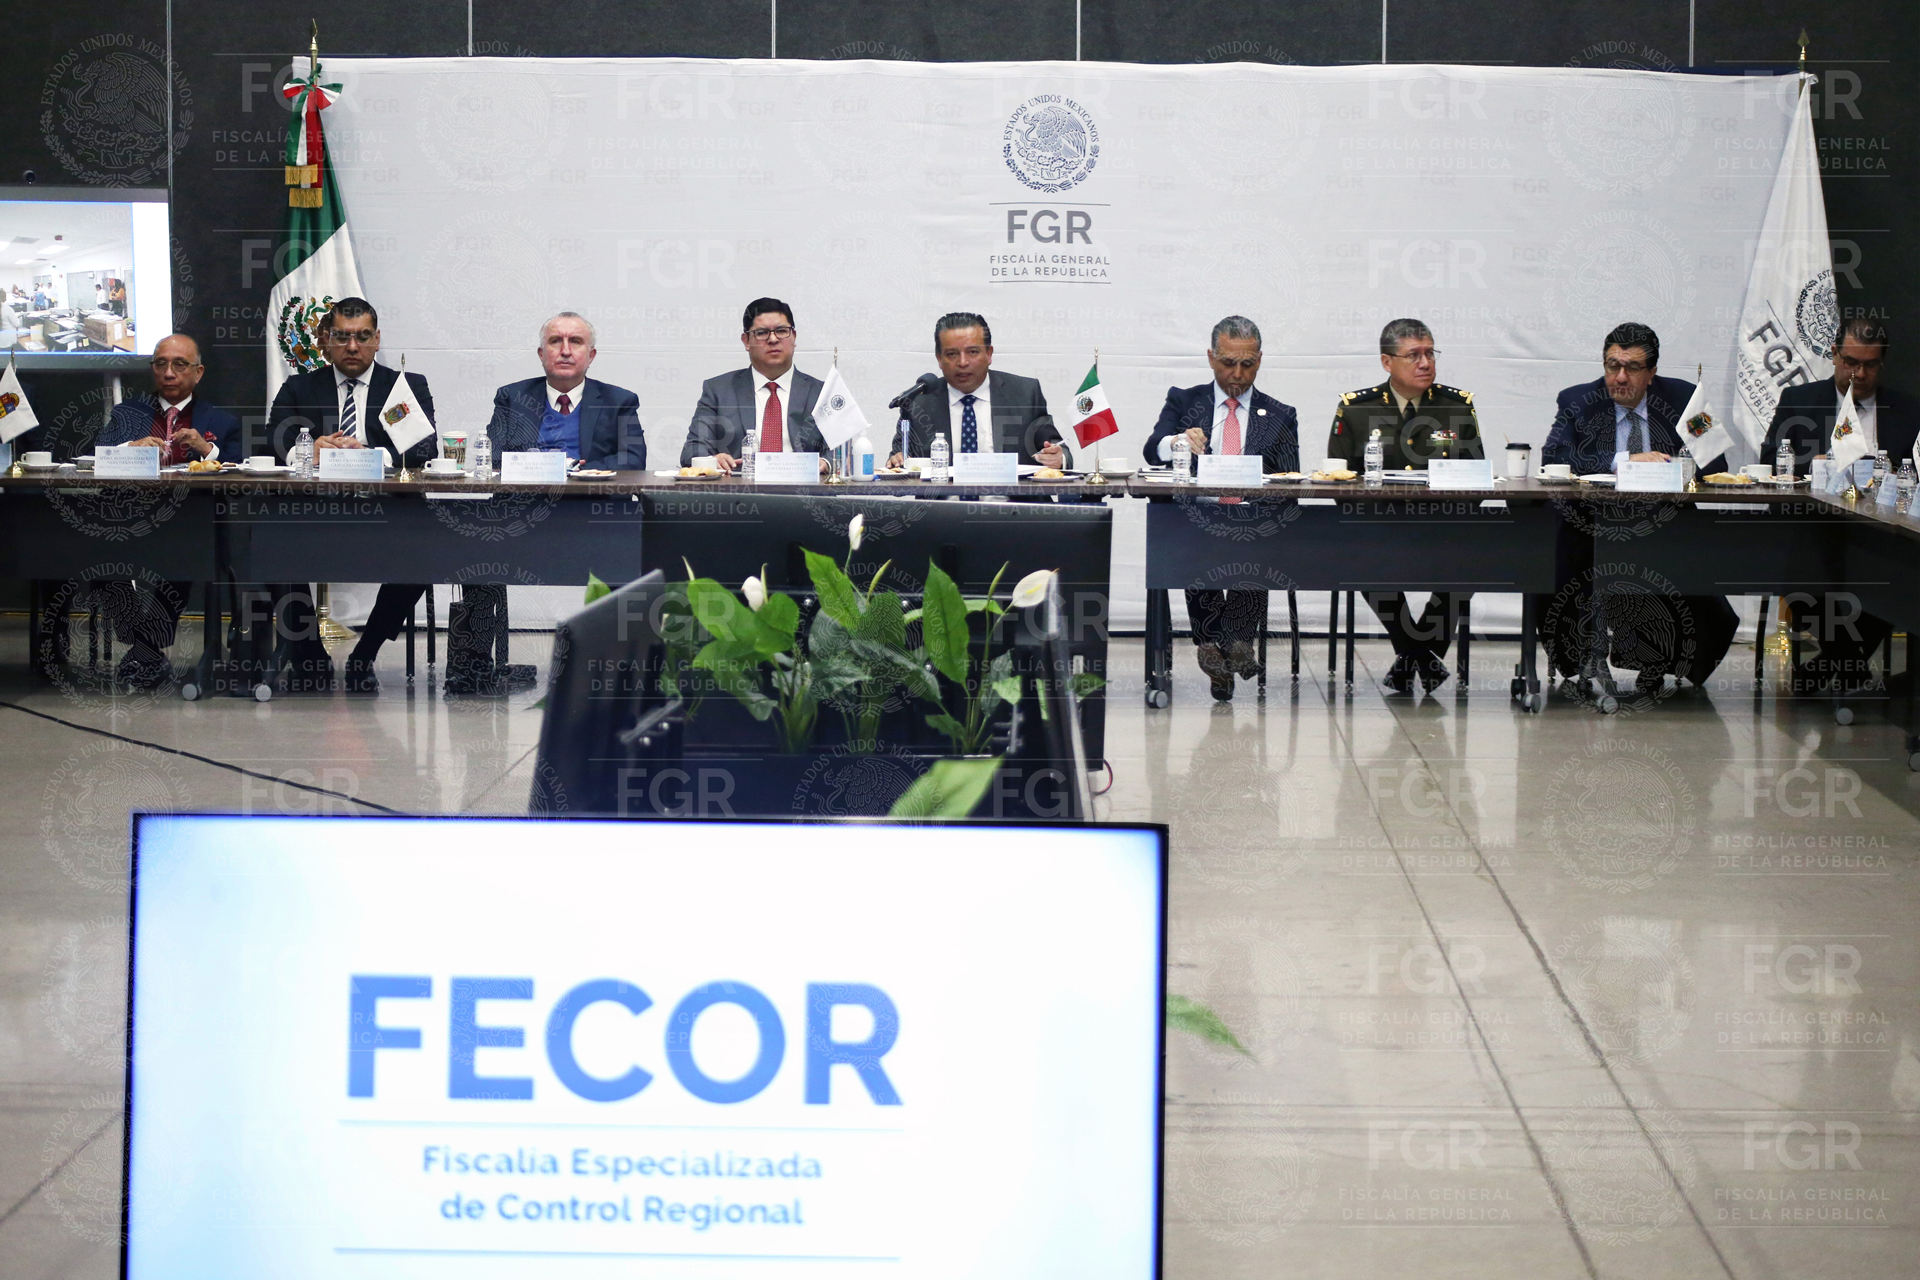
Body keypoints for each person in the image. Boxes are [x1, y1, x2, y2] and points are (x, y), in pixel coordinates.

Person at [1540, 321, 1739, 696]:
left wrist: (1673, 466)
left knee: (1673, 558)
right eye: (1612, 365)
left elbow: (1716, 464)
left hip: (1665, 523)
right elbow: (1555, 457)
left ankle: (1658, 659)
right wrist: (1624, 461)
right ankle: (1583, 656)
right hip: (1592, 524)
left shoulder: (1685, 399)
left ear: (1651, 372)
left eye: (1632, 367)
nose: (1620, 377)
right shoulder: (1576, 400)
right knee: (1561, 555)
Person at [462, 311, 645, 694]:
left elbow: (633, 460)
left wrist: (580, 471)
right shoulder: (512, 397)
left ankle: (618, 667)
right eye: (555, 342)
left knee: (628, 548)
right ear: (541, 353)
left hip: (592, 518)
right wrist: (539, 466)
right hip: (520, 517)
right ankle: (475, 666)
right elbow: (493, 457)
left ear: (591, 355)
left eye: (575, 342)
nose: (564, 350)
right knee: (475, 548)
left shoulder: (619, 401)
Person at [265, 297, 437, 693]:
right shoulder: (300, 387)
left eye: (362, 337)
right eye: (342, 337)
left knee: (428, 547)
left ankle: (365, 654)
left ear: (377, 339)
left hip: (388, 512)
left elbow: (425, 449)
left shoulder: (404, 387)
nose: (353, 347)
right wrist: (307, 451)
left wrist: (372, 455)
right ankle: (308, 653)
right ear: (327, 340)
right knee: (269, 539)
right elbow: (272, 439)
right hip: (313, 512)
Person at [1141, 315, 1299, 701]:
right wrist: (1178, 441)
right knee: (1197, 533)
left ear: (1259, 360)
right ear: (1211, 357)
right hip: (1198, 517)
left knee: (1256, 536)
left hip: (1252, 518)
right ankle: (1227, 643)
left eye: (1247, 364)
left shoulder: (1280, 414)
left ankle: (1222, 643)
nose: (1237, 374)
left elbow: (1289, 481)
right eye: (1228, 363)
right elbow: (1152, 450)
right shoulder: (1184, 400)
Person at [1326, 318, 1482, 694]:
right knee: (1361, 557)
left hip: (1443, 524)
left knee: (1474, 560)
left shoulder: (1456, 406)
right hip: (1379, 526)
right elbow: (1338, 478)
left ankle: (1412, 657)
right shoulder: (1356, 409)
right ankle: (1421, 657)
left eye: (1430, 353)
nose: (1425, 363)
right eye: (1413, 355)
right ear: (1387, 362)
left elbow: (1476, 476)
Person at [1763, 317, 1914, 690]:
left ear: (1882, 363)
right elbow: (1770, 463)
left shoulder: (1907, 409)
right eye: (1851, 362)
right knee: (1806, 570)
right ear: (1833, 355)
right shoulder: (1799, 401)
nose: (1859, 374)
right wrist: (1811, 468)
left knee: (1902, 577)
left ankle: (1825, 669)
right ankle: (1851, 671)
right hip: (1814, 530)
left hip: (1882, 535)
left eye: (1870, 365)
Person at [90, 334, 242, 688]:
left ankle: (144, 651)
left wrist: (207, 450)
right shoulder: (127, 413)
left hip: (191, 521)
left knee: (185, 555)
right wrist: (130, 447)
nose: (169, 373)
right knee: (98, 555)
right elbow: (97, 457)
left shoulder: (221, 421)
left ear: (198, 372)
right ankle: (146, 646)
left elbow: (241, 471)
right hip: (130, 517)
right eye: (161, 364)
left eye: (180, 365)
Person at [899, 313, 1063, 467]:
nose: (963, 362)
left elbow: (1055, 447)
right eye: (952, 354)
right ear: (939, 359)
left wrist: (1058, 458)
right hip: (944, 489)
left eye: (972, 352)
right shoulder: (919, 402)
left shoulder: (1024, 393)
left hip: (1010, 489)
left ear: (989, 354)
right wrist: (897, 461)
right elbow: (900, 457)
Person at [681, 298, 825, 468]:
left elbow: (842, 446)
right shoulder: (718, 391)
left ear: (794, 337)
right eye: (762, 333)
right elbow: (693, 449)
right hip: (738, 484)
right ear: (746, 341)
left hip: (803, 483)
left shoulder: (821, 393)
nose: (773, 339)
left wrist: (826, 463)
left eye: (781, 331)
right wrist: (711, 461)